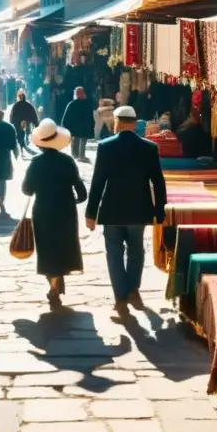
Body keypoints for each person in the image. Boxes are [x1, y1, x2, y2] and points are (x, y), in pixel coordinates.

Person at [85, 105, 167, 318]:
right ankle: (133, 290)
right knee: (136, 251)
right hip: (139, 210)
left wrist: (91, 213)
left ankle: (121, 297)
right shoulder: (149, 148)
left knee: (114, 253)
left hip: (112, 210)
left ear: (118, 122)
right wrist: (160, 212)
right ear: (134, 122)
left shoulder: (105, 146)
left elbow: (98, 182)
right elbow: (158, 181)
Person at [22, 119, 87, 310]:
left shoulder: (36, 163)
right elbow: (81, 193)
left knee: (47, 247)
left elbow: (26, 189)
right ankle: (57, 281)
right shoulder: (68, 161)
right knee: (63, 245)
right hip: (65, 210)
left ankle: (53, 283)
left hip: (43, 210)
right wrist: (73, 201)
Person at [62, 86, 95, 161]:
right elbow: (90, 116)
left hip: (74, 128)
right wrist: (92, 124)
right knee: (83, 141)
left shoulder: (72, 104)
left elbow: (66, 117)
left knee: (75, 139)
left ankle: (75, 155)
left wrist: (65, 126)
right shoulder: (87, 104)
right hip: (85, 127)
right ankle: (82, 155)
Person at [9, 89, 40, 157]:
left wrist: (12, 121)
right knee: (26, 135)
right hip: (27, 123)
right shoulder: (28, 105)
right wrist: (36, 124)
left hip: (18, 124)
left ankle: (23, 149)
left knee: (20, 136)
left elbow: (12, 115)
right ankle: (24, 148)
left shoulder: (16, 105)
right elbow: (34, 115)